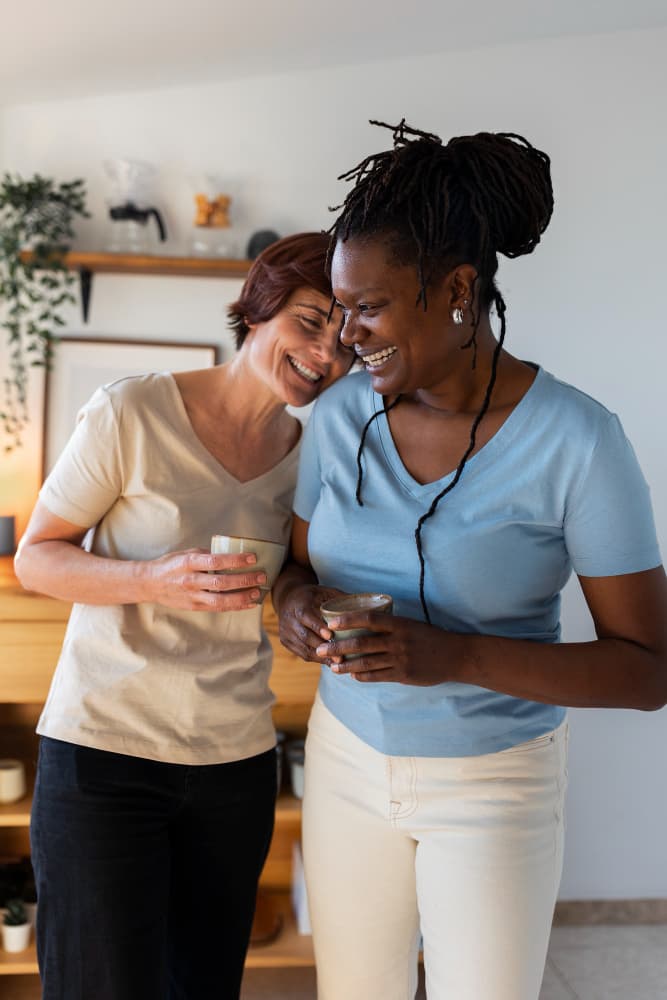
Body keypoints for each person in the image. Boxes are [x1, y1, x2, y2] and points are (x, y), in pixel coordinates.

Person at [274, 121, 667, 1000]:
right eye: (338, 308)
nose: (344, 334)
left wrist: (447, 657)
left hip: (495, 784)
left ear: (456, 289)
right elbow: (296, 569)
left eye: (366, 307)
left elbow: (647, 671)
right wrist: (293, 606)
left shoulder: (577, 440)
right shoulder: (339, 417)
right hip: (341, 762)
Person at [14, 231, 353, 1000]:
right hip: (104, 757)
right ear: (260, 309)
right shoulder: (133, 410)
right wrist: (151, 578)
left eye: (345, 342)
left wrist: (302, 603)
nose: (324, 354)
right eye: (309, 321)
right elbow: (38, 556)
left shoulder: (310, 455)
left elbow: (292, 571)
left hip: (233, 765)